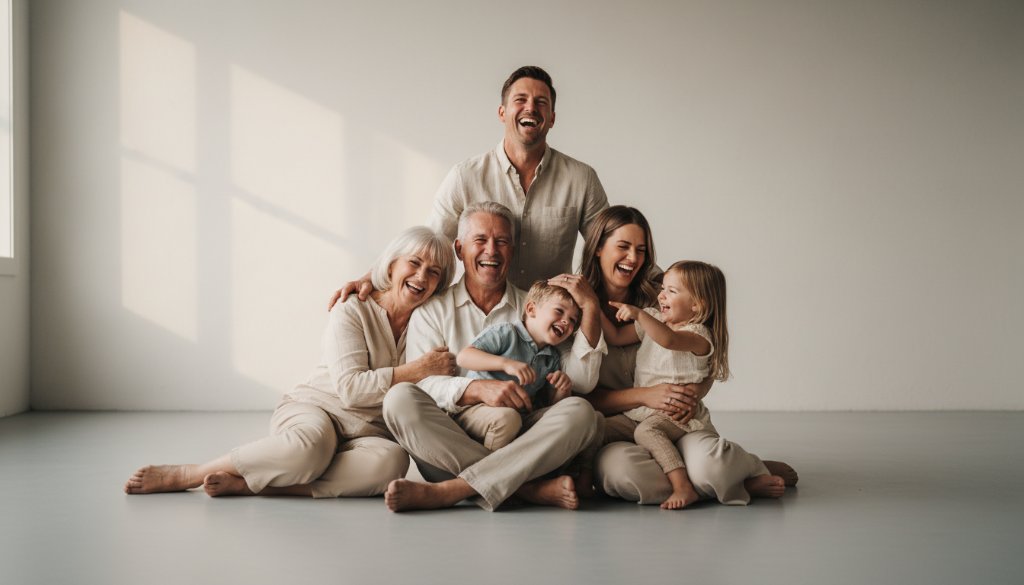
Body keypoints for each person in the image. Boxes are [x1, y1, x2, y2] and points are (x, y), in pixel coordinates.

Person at [123, 227, 456, 499]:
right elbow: (352, 391)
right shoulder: (353, 308)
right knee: (310, 450)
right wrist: (417, 370)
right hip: (318, 408)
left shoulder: (428, 324)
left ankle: (262, 487)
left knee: (391, 462)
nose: (421, 276)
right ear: (391, 265)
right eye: (413, 263)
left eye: (433, 272)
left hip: (369, 431)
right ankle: (191, 473)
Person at [560, 205, 798, 506]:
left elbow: (700, 351)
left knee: (711, 464)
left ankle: (735, 471)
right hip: (629, 420)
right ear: (597, 248)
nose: (633, 259)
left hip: (675, 417)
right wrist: (592, 306)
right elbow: (578, 395)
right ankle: (714, 482)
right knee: (623, 473)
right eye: (623, 247)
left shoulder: (661, 294)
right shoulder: (571, 304)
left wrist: (693, 393)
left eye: (641, 250)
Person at [381, 201, 606, 512]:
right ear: (459, 249)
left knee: (581, 411)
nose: (492, 251)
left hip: (519, 434)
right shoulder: (433, 309)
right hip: (451, 438)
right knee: (399, 399)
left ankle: (454, 490)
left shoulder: (541, 306)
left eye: (501, 242)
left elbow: (582, 382)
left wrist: (591, 308)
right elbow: (424, 385)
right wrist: (474, 390)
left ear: (512, 250)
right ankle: (527, 489)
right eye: (480, 241)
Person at [331, 65, 609, 305]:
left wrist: (651, 284)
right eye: (520, 99)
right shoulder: (465, 176)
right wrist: (370, 277)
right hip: (482, 320)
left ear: (552, 118)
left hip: (552, 324)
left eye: (541, 103)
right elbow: (430, 242)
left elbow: (612, 247)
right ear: (502, 112)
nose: (531, 108)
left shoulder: (581, 179)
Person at [603, 260, 785, 509]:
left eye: (671, 291)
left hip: (676, 417)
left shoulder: (698, 335)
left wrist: (638, 313)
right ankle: (729, 482)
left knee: (646, 433)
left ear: (697, 304)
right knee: (601, 427)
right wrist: (589, 304)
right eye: (663, 288)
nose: (661, 295)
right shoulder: (654, 320)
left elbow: (668, 340)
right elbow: (614, 336)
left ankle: (685, 486)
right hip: (642, 411)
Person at [457, 280, 581, 404]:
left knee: (578, 407)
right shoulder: (507, 332)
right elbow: (464, 357)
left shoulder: (552, 358)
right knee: (509, 417)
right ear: (531, 309)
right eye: (559, 311)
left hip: (521, 415)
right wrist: (505, 364)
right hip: (482, 406)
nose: (566, 322)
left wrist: (562, 390)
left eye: (572, 320)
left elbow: (550, 404)